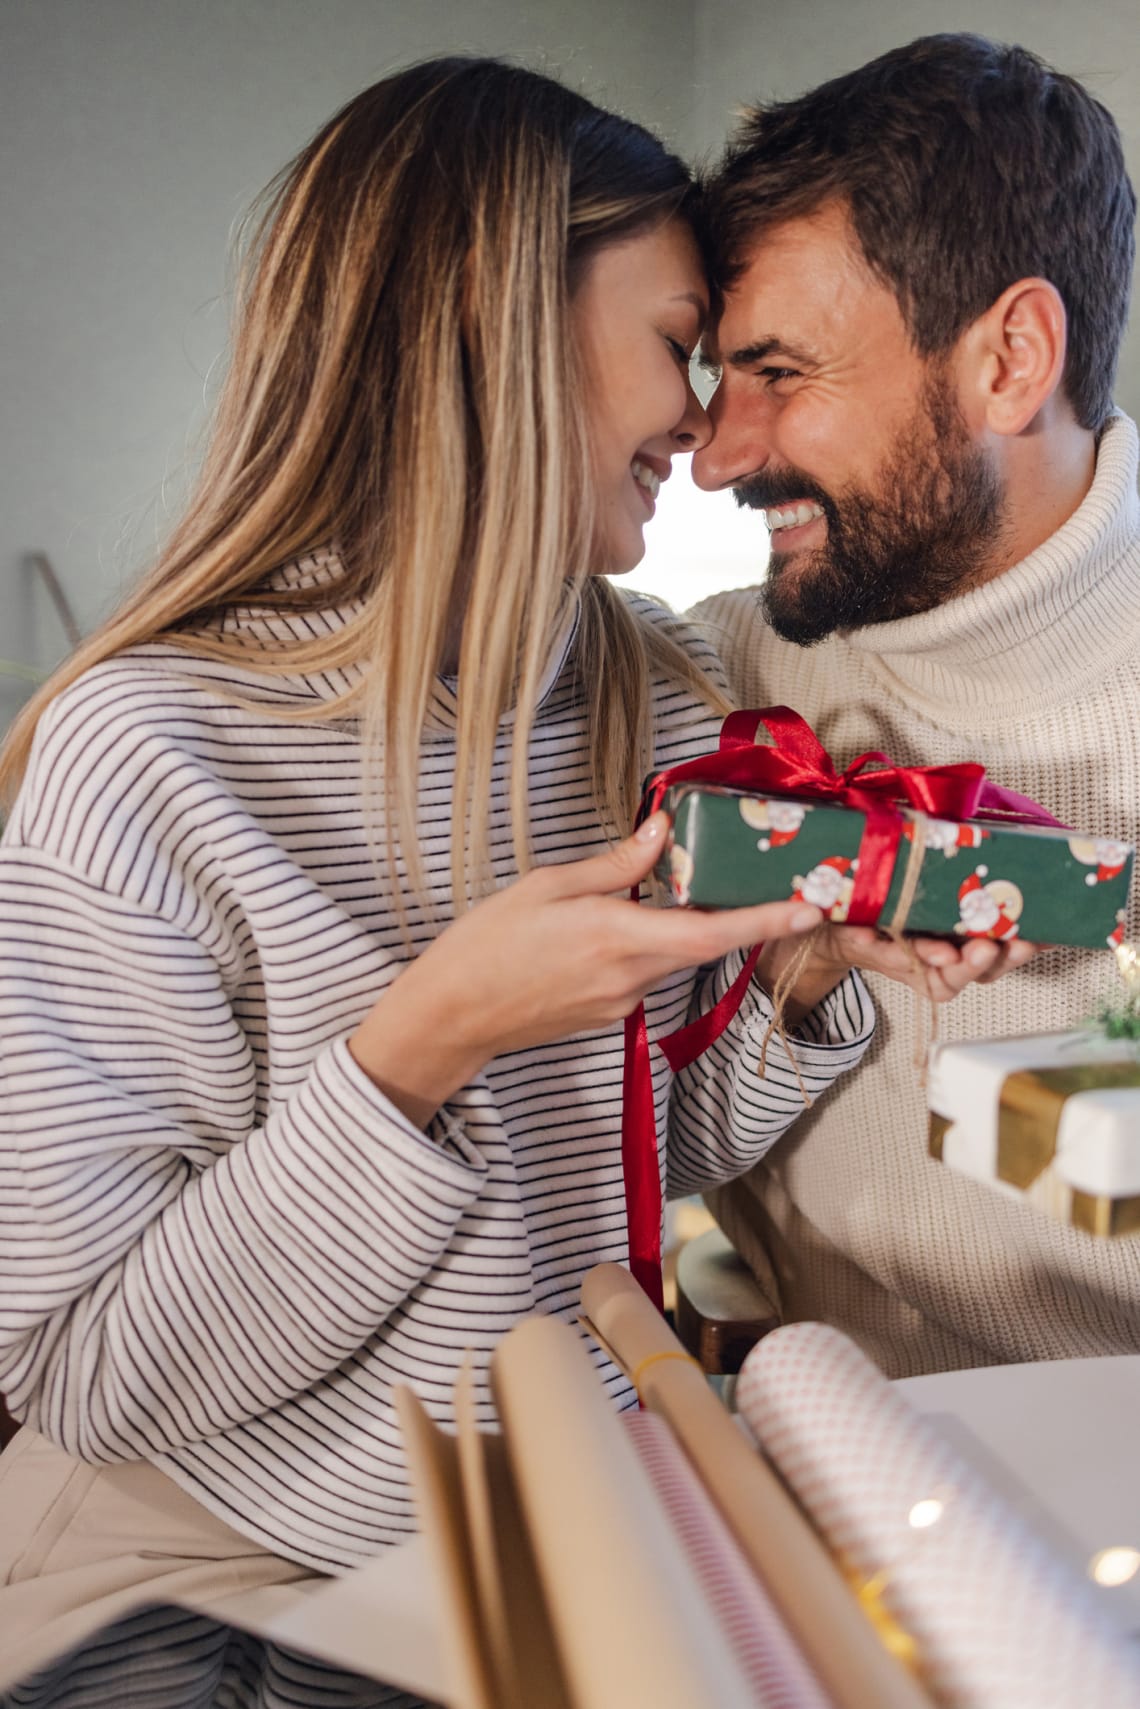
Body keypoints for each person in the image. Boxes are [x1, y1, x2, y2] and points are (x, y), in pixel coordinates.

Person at [0, 54, 1019, 1701]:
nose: (702, 425)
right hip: (194, 1538)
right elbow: (92, 1370)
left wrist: (795, 984)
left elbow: (615, 1173)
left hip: (533, 1523)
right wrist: (424, 1041)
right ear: (488, 324)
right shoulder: (152, 753)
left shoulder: (662, 703)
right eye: (678, 346)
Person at [692, 32, 1140, 1378]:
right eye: (717, 378)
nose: (718, 453)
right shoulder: (705, 686)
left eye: (780, 374)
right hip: (792, 1481)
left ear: (1010, 359)